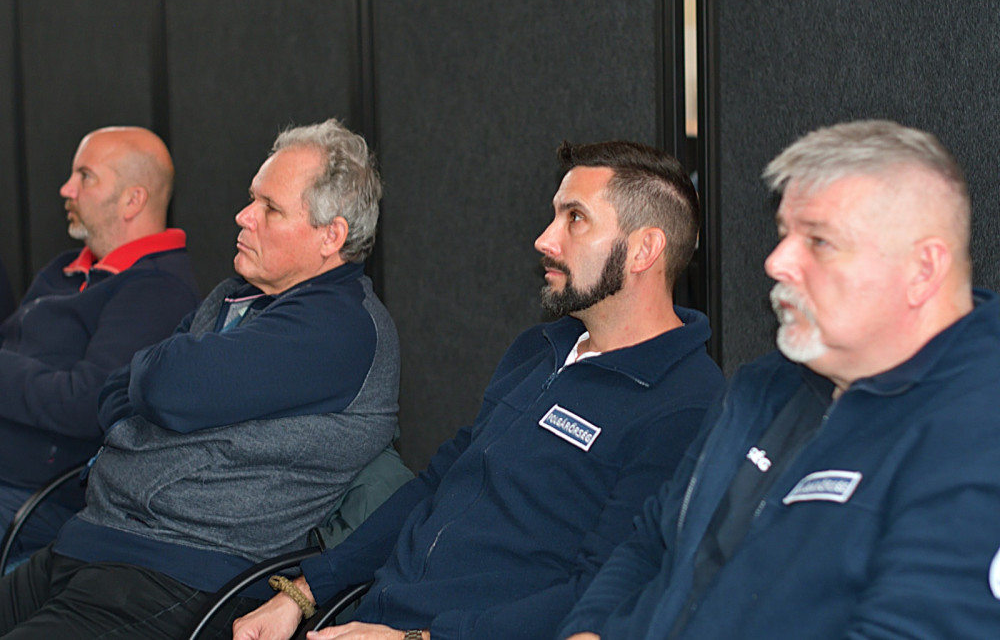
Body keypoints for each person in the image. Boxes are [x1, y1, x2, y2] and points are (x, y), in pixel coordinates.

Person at [233, 139, 724, 640]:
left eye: (575, 218)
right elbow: (436, 485)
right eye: (555, 215)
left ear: (644, 250)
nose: (545, 239)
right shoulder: (539, 349)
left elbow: (602, 594)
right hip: (377, 617)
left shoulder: (685, 404)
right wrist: (303, 592)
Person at [558, 120, 1000, 640]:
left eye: (819, 240)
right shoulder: (762, 386)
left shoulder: (977, 425)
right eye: (784, 234)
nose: (776, 262)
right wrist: (588, 629)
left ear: (923, 270)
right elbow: (654, 538)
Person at [0, 118, 401, 638]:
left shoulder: (339, 327)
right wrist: (164, 396)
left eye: (270, 208)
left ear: (332, 236)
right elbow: (116, 390)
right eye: (252, 198)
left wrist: (159, 398)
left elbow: (165, 385)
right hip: (98, 539)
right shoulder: (235, 294)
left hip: (179, 577)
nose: (243, 216)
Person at [0, 126, 199, 552]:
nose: (66, 189)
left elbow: (86, 404)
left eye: (85, 176)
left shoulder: (157, 290)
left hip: (42, 495)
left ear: (133, 199)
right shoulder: (64, 268)